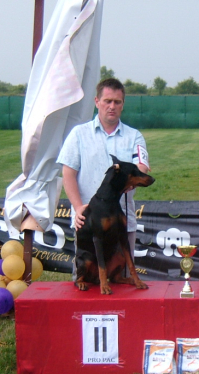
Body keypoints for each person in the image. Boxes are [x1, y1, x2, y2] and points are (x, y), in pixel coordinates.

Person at [57, 77, 150, 270]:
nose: (112, 106)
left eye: (117, 102)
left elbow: (142, 167)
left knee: (123, 280)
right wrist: (78, 207)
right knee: (87, 279)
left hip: (122, 222)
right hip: (88, 222)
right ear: (97, 101)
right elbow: (68, 174)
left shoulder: (134, 136)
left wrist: (131, 181)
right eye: (107, 101)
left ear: (123, 104)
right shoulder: (78, 134)